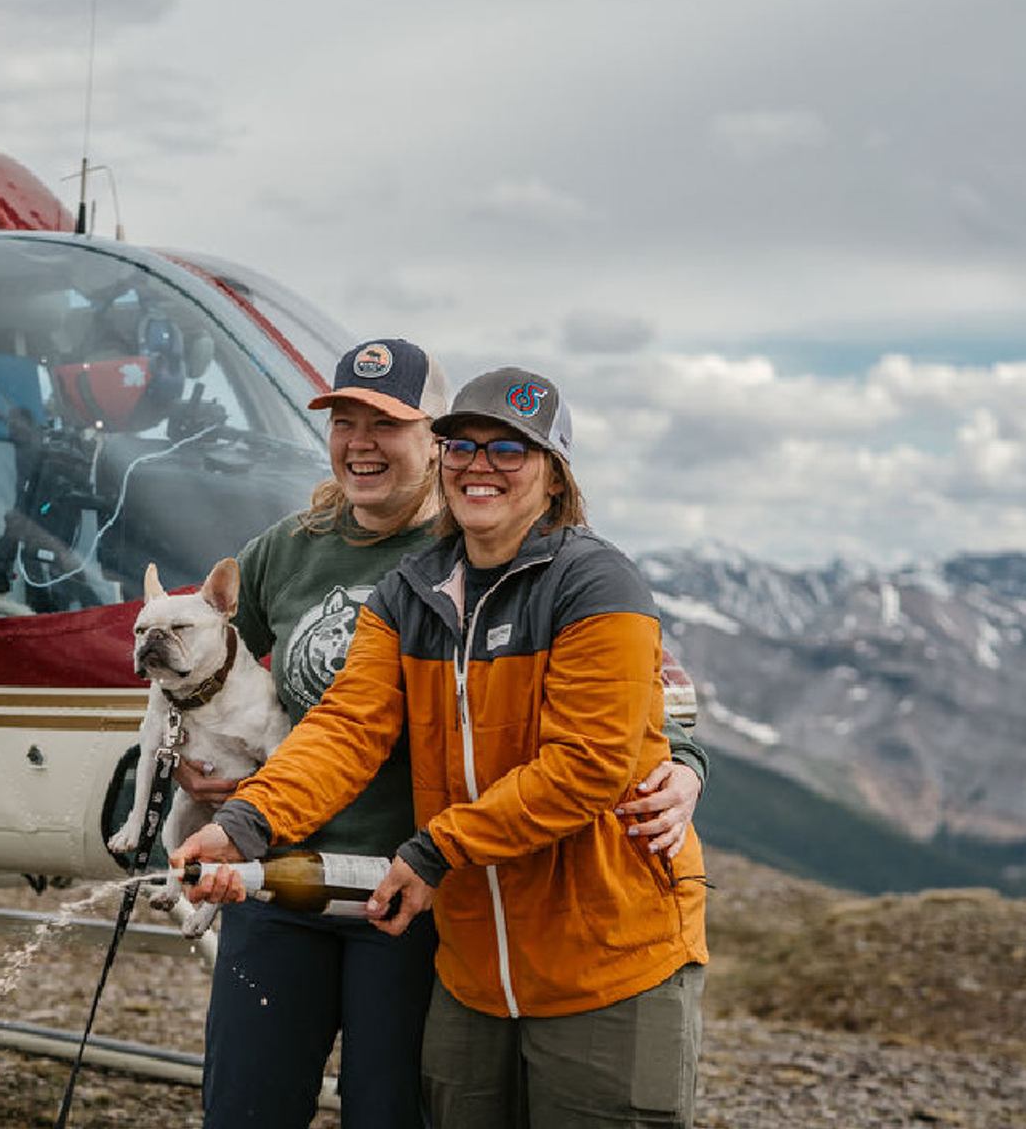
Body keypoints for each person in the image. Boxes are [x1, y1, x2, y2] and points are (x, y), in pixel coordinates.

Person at [178, 345, 707, 1128]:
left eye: (508, 448)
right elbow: (347, 727)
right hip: (464, 960)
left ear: (555, 472)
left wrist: (432, 851)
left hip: (588, 943)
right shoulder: (408, 592)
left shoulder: (596, 583)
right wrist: (244, 823)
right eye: (465, 444)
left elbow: (597, 757)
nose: (478, 465)